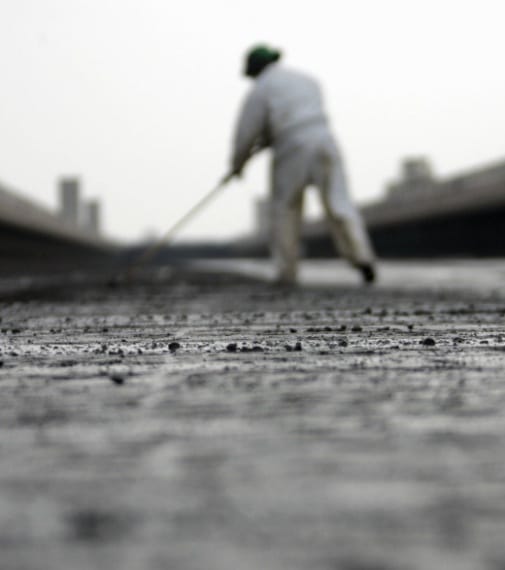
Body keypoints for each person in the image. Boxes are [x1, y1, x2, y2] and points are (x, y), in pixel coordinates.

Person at [227, 44, 377, 285]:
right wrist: (269, 135)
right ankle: (362, 257)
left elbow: (246, 133)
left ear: (254, 68)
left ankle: (287, 271)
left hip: (291, 147)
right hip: (324, 139)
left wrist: (237, 165)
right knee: (339, 202)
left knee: (286, 208)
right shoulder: (307, 80)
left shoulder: (260, 89)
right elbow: (296, 116)